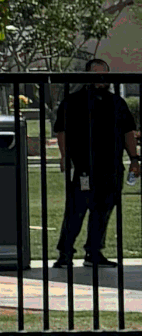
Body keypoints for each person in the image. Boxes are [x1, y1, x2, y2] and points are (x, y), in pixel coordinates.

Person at [52, 60, 138, 276]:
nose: (101, 80)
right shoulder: (74, 102)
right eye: (96, 75)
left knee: (104, 210)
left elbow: (129, 132)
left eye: (104, 75)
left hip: (111, 167)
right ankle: (65, 254)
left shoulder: (117, 103)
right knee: (76, 210)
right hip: (84, 167)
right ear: (87, 76)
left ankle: (94, 252)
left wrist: (134, 159)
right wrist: (64, 156)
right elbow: (61, 130)